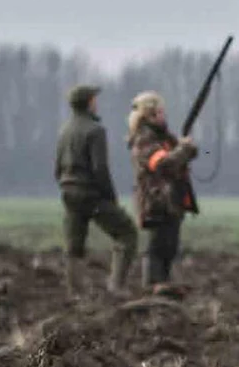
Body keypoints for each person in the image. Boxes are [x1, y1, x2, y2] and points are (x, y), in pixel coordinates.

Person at [54, 84, 138, 298]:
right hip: (90, 195)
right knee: (126, 232)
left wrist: (66, 186)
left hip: (68, 193)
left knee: (74, 246)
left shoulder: (64, 130)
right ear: (89, 103)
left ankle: (76, 293)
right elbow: (100, 168)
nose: (96, 102)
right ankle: (116, 286)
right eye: (94, 99)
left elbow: (57, 167)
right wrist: (111, 197)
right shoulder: (95, 130)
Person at [127, 91, 199, 294]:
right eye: (159, 112)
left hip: (171, 203)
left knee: (169, 250)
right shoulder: (144, 140)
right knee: (155, 251)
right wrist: (183, 150)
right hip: (156, 203)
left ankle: (163, 289)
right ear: (148, 116)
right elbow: (163, 164)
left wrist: (187, 149)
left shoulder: (164, 137)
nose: (163, 116)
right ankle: (152, 290)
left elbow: (178, 155)